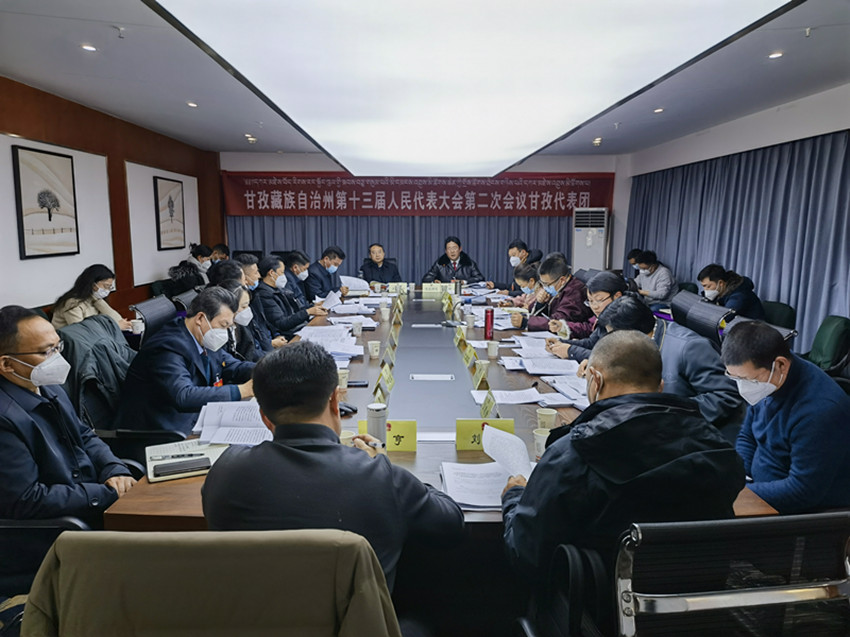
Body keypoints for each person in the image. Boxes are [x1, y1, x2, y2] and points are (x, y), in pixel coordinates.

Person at [202, 341, 465, 590]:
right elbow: (451, 525)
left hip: (254, 617)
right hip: (358, 619)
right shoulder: (380, 477)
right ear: (335, 402)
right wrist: (384, 463)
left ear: (264, 417)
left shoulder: (226, 471)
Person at [501, 330, 745, 578]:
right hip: (699, 594)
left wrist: (514, 496)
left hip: (600, 596)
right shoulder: (716, 446)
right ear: (660, 387)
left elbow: (525, 552)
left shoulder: (575, 452)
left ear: (595, 380)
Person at [0, 306, 135, 523]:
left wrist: (113, 468)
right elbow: (26, 499)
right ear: (7, 364)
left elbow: (84, 435)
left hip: (93, 500)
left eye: (58, 347)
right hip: (65, 525)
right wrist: (106, 494)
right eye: (46, 352)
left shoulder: (48, 386)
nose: (57, 358)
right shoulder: (5, 419)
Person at [721, 321, 850, 513]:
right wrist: (738, 476)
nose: (743, 387)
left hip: (806, 511)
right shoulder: (768, 381)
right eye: (735, 378)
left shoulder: (819, 411)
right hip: (761, 488)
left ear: (780, 364)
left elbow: (803, 491)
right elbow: (748, 437)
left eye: (749, 380)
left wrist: (742, 494)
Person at [116, 288, 255, 435]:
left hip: (194, 418)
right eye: (223, 325)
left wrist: (265, 370)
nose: (225, 332)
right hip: (160, 432)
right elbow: (183, 396)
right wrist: (242, 390)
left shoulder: (203, 336)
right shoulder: (167, 347)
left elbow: (232, 366)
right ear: (200, 318)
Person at [595, 295, 743, 426]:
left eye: (614, 337)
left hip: (685, 429)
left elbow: (725, 396)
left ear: (634, 334)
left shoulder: (689, 347)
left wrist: (669, 412)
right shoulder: (640, 344)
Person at [546, 271, 627, 362]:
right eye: (590, 301)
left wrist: (570, 351)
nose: (595, 307)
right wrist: (560, 343)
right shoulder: (604, 316)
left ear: (617, 296)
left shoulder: (627, 318)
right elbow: (591, 342)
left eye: (599, 300)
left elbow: (608, 358)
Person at [511, 254, 594, 338]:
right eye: (542, 283)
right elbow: (546, 314)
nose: (545, 287)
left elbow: (557, 321)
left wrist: (526, 322)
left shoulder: (574, 292)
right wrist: (541, 303)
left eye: (547, 284)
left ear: (562, 280)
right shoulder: (559, 287)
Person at [256, 255, 326, 338]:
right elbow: (282, 323)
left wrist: (313, 307)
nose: (284, 276)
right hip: (288, 335)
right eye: (282, 272)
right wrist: (308, 312)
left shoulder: (279, 289)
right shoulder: (264, 294)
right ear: (271, 273)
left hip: (298, 327)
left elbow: (296, 310)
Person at [218, 279, 284, 362]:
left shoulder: (241, 326)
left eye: (248, 305)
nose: (247, 310)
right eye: (243, 307)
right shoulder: (220, 334)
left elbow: (250, 352)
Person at [50, 264, 131, 331]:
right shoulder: (72, 303)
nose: (107, 290)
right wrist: (115, 327)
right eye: (106, 286)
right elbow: (81, 331)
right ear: (92, 284)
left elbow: (118, 320)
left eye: (110, 287)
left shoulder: (94, 299)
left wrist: (98, 301)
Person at [698, 264, 765, 320]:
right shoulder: (720, 293)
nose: (705, 290)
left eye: (708, 286)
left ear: (720, 283)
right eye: (703, 286)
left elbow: (723, 320)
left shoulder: (738, 296)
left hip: (752, 330)